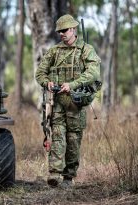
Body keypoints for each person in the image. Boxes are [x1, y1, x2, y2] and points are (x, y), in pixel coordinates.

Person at [35, 14, 101, 188]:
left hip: (76, 104)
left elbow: (93, 73)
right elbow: (40, 73)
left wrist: (72, 85)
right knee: (57, 136)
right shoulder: (54, 51)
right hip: (56, 102)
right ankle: (54, 174)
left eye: (64, 30)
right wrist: (46, 82)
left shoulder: (86, 50)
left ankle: (68, 177)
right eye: (59, 32)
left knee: (73, 140)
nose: (61, 34)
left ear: (73, 29)